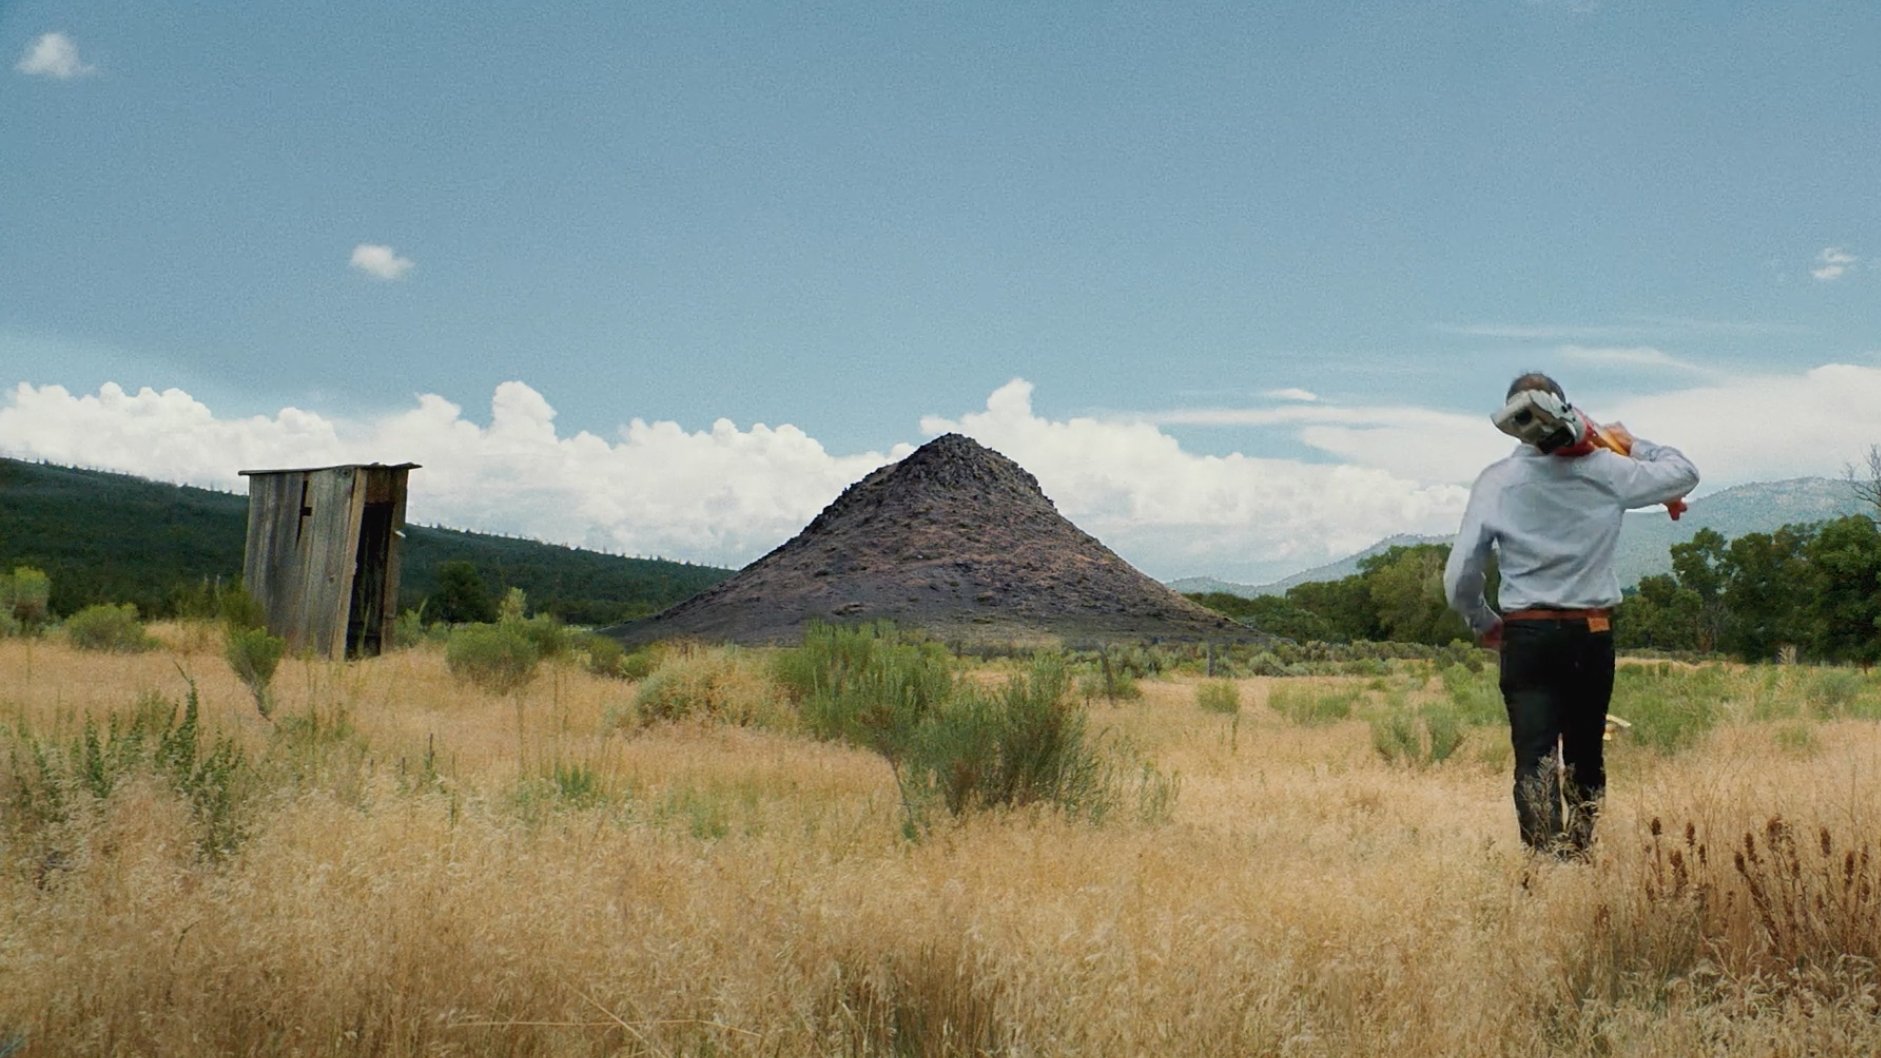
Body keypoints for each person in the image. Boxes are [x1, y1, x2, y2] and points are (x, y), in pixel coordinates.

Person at [1444, 372, 1698, 859]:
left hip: (1527, 634)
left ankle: (1544, 868)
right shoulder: (1607, 469)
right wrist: (1626, 440)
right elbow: (1683, 472)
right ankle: (1579, 857)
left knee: (1534, 758)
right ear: (1566, 408)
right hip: (1590, 632)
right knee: (1585, 754)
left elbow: (1460, 577)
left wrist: (1484, 622)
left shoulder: (1496, 481)